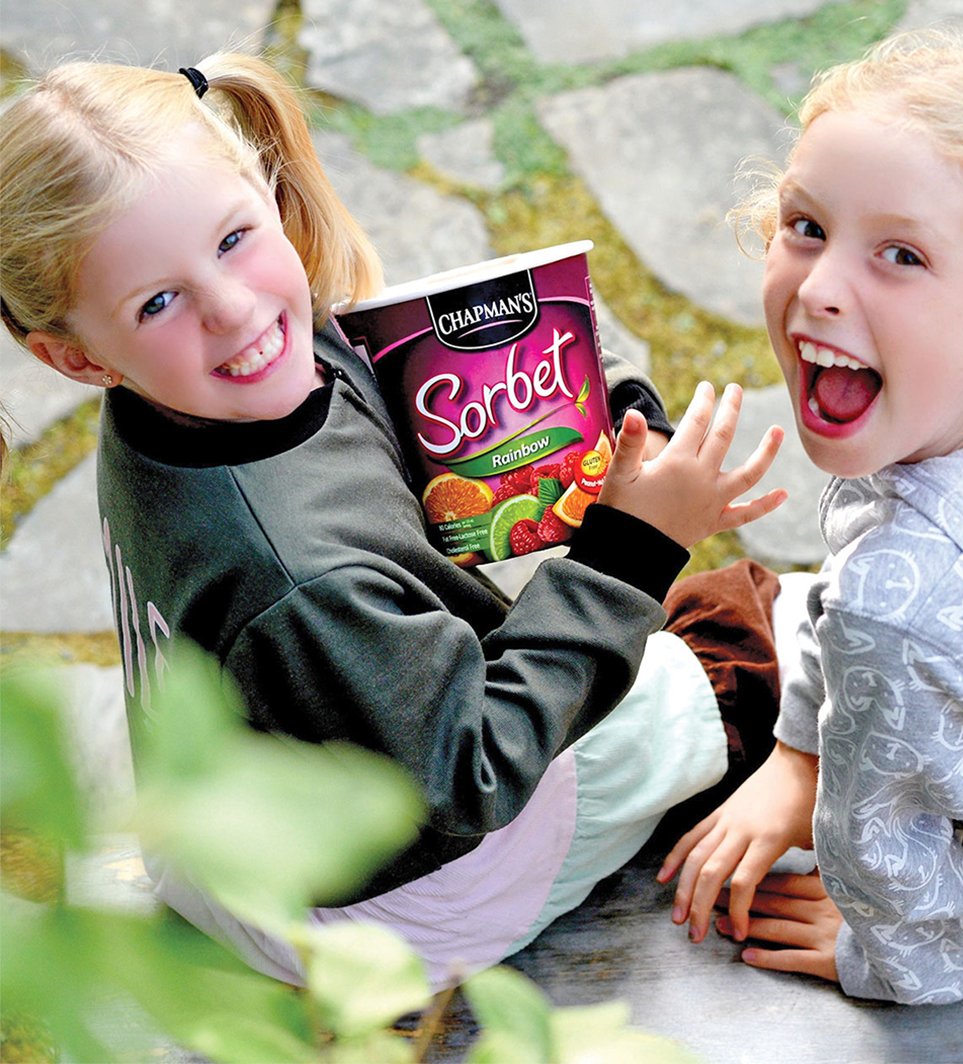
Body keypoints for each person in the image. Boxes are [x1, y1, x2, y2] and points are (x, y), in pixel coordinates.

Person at [0, 53, 788, 990]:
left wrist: (608, 412)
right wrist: (633, 550)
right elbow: (475, 772)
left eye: (233, 239)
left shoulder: (174, 396)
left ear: (264, 186)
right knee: (748, 635)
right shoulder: (293, 575)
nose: (234, 308)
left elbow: (432, 392)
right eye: (159, 301)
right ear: (79, 358)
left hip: (235, 839)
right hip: (392, 906)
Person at [659, 30, 963, 1005]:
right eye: (805, 225)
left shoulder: (903, 597)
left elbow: (896, 873)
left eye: (900, 253)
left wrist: (890, 950)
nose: (819, 287)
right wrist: (801, 755)